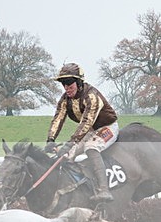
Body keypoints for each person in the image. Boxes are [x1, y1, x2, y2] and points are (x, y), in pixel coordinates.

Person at [45, 63, 119, 202]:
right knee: (66, 155)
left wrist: (71, 142)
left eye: (69, 83)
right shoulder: (64, 100)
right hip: (89, 131)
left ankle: (104, 190)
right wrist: (50, 139)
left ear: (79, 82)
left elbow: (86, 122)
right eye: (63, 84)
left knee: (91, 148)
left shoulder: (91, 96)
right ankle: (72, 188)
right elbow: (58, 118)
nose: (66, 88)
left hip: (107, 127)